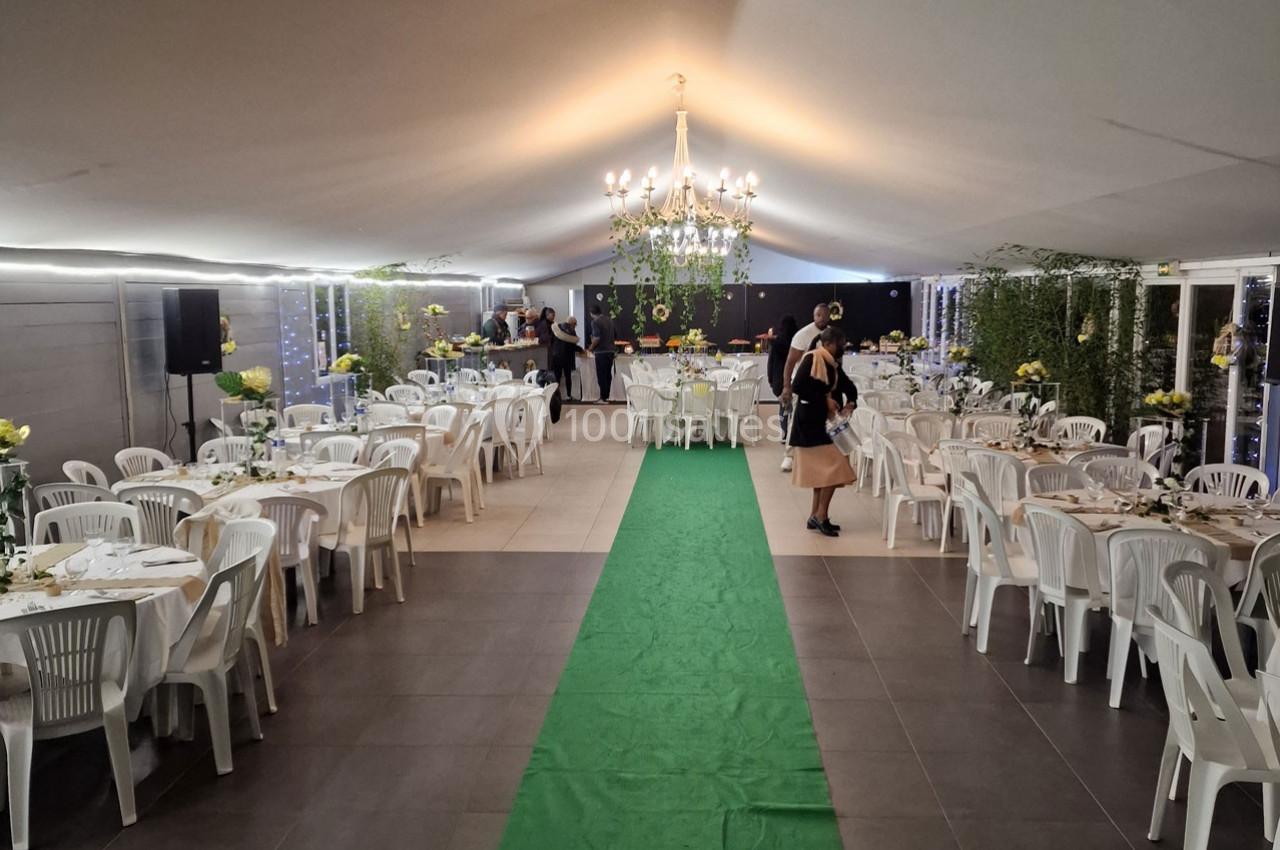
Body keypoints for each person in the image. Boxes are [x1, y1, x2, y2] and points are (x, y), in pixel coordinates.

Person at [789, 325, 857, 537]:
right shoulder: (813, 358)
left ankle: (815, 515)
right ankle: (820, 516)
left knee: (824, 473)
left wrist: (851, 402)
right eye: (840, 344)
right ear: (828, 344)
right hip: (811, 424)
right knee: (835, 468)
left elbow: (848, 386)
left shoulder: (832, 363)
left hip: (825, 424)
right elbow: (798, 387)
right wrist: (824, 400)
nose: (843, 347)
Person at [778, 303, 832, 472]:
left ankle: (818, 455)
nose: (821, 318)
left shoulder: (831, 334)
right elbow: (789, 363)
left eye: (824, 315)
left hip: (823, 386)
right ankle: (789, 455)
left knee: (822, 420)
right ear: (813, 316)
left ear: (829, 317)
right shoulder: (803, 335)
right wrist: (787, 387)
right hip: (803, 385)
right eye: (818, 315)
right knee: (797, 419)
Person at [767, 314, 799, 441]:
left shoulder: (776, 343)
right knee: (795, 407)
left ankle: (784, 432)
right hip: (795, 378)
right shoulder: (797, 342)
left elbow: (771, 363)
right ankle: (794, 433)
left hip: (779, 380)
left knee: (783, 406)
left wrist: (771, 379)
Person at [550, 315, 586, 401]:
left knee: (557, 377)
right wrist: (581, 350)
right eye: (575, 324)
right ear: (572, 323)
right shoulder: (571, 331)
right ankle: (568, 395)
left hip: (556, 356)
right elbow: (572, 346)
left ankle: (555, 395)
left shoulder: (557, 328)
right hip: (567, 358)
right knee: (568, 377)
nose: (575, 326)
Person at [586, 304, 616, 404]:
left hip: (601, 352)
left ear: (591, 313)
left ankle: (603, 398)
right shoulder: (610, 320)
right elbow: (615, 335)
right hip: (611, 351)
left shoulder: (595, 322)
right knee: (608, 375)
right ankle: (606, 396)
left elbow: (596, 338)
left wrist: (590, 347)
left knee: (601, 375)